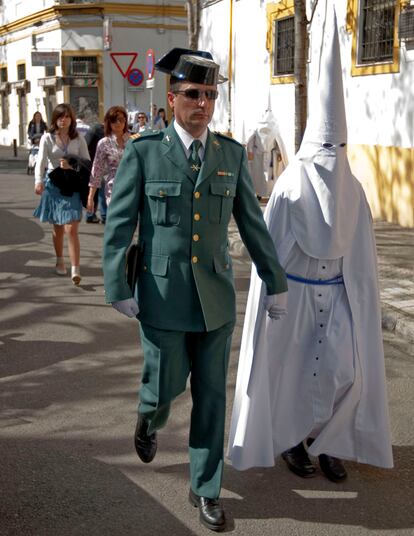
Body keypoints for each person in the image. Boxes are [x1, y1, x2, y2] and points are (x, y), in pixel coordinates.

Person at [102, 48, 288, 532]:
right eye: (193, 94)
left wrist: (276, 281)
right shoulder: (144, 151)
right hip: (161, 299)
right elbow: (120, 225)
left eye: (210, 94)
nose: (202, 103)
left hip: (215, 301)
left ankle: (205, 487)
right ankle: (149, 416)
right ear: (173, 96)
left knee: (211, 398)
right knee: (164, 387)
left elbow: (251, 222)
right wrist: (117, 285)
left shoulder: (227, 153)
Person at [227, 7, 393, 481]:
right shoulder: (288, 185)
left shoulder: (353, 188)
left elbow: (362, 259)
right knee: (294, 374)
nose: (332, 161)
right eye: (326, 151)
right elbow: (270, 246)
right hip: (295, 297)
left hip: (338, 294)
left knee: (342, 372)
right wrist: (273, 299)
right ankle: (293, 442)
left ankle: (331, 441)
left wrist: (360, 302)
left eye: (338, 152)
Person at [33, 103, 90, 285]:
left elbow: (87, 162)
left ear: (72, 119)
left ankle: (75, 269)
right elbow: (41, 161)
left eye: (66, 117)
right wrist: (38, 181)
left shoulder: (78, 138)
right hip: (54, 185)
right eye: (60, 117)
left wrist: (73, 165)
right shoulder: (47, 138)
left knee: (71, 228)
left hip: (72, 185)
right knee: (58, 228)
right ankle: (59, 259)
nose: (63, 120)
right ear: (55, 120)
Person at [87, 106, 130, 213]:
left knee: (130, 224)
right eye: (114, 120)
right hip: (113, 187)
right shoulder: (104, 143)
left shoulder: (133, 140)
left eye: (121, 119)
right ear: (108, 123)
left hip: (133, 186)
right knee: (116, 220)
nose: (118, 123)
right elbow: (97, 170)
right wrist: (90, 197)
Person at [85, 122, 106, 223]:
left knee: (95, 190)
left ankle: (91, 214)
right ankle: (104, 214)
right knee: (100, 189)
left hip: (92, 163)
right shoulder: (99, 130)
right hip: (95, 164)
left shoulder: (93, 129)